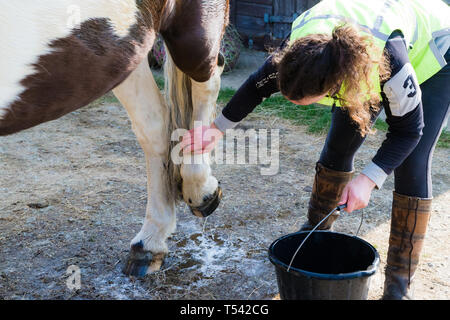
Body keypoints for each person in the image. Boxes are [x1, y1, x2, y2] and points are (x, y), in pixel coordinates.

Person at [181, 0, 450, 300]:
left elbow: (409, 130)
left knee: (412, 163)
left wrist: (368, 178)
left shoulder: (387, 58)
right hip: (357, 52)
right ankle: (315, 231)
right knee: (339, 144)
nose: (292, 104)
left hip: (436, 51)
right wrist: (216, 128)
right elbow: (258, 85)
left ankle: (398, 288)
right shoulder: (299, 51)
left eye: (303, 101)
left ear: (333, 86)